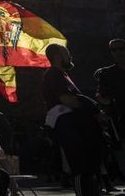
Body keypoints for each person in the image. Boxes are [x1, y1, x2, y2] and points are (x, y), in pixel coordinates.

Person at [43, 43, 103, 196]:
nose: (70, 56)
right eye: (66, 52)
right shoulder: (54, 74)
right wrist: (91, 107)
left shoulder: (63, 75)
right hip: (68, 126)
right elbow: (67, 99)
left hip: (76, 125)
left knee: (88, 166)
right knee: (81, 167)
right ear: (57, 56)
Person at [95, 38, 125, 193]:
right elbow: (101, 95)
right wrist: (103, 101)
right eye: (113, 50)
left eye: (121, 48)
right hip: (122, 121)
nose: (118, 52)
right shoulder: (107, 73)